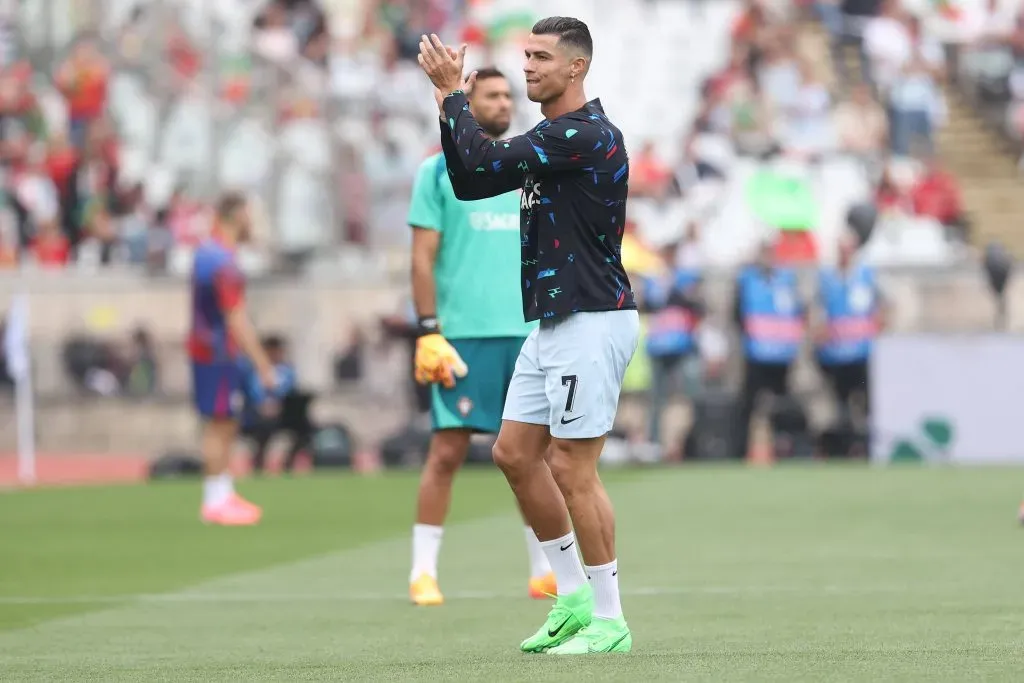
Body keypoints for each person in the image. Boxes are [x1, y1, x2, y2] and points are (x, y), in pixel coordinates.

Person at [417, 16, 638, 655]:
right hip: (553, 321)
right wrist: (446, 103)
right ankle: (569, 598)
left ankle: (610, 619)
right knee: (514, 454)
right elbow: (471, 180)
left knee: (573, 467)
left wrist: (455, 93)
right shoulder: (551, 136)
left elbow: (484, 158)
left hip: (590, 319)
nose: (528, 66)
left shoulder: (584, 135)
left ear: (577, 68)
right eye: (526, 55)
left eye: (542, 56)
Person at [406, 66, 554, 607]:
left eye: (507, 94)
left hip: (526, 331)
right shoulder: (437, 173)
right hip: (462, 336)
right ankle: (423, 571)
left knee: (532, 456)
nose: (502, 102)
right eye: (490, 95)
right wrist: (429, 331)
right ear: (465, 102)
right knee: (447, 452)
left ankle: (544, 570)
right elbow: (422, 259)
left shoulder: (525, 167)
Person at [188, 192, 276, 526]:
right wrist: (263, 365)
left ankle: (222, 492)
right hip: (217, 351)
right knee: (218, 424)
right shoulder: (222, 261)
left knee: (225, 422)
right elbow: (235, 317)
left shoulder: (208, 254)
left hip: (209, 348)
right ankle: (215, 499)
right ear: (236, 214)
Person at [732, 238, 806, 460]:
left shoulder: (786, 280)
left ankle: (783, 449)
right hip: (757, 354)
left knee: (782, 405)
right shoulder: (748, 279)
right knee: (749, 405)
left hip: (781, 355)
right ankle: (741, 451)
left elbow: (797, 312)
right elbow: (737, 313)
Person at [815, 232, 884, 430]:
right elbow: (817, 309)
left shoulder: (866, 276)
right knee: (840, 403)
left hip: (861, 352)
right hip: (835, 353)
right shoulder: (827, 277)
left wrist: (879, 326)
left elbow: (885, 305)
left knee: (866, 400)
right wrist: (819, 332)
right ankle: (844, 444)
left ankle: (866, 442)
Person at [242, 335, 307, 475]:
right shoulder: (254, 371)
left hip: (282, 415)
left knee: (303, 429)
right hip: (257, 415)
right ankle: (259, 462)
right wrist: (262, 404)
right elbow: (252, 392)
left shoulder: (287, 371)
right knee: (262, 428)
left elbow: (288, 391)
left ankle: (288, 464)